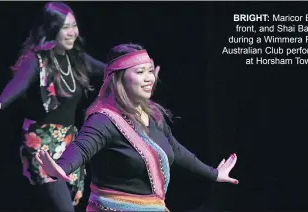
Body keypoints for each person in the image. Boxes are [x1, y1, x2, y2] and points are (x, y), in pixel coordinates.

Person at [35, 43, 239, 211]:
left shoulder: (153, 115)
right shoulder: (103, 120)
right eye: (140, 72)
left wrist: (213, 174)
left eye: (150, 71)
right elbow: (81, 147)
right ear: (120, 79)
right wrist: (60, 167)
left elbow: (176, 150)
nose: (149, 78)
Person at [0, 2, 106, 211]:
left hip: (69, 144)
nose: (72, 33)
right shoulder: (36, 60)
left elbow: (110, 71)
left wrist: (136, 71)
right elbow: (17, 85)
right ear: (51, 29)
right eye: (65, 27)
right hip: (41, 146)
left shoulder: (76, 58)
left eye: (73, 26)